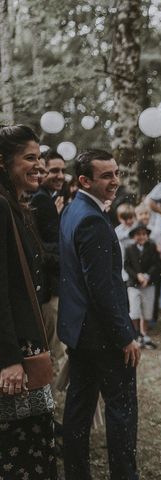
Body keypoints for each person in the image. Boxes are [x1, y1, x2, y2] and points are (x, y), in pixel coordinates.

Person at [58, 149, 141, 480]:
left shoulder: (72, 210)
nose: (115, 181)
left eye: (116, 173)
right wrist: (126, 336)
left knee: (78, 411)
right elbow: (102, 288)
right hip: (103, 336)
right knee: (122, 411)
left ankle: (77, 474)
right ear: (85, 180)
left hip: (80, 332)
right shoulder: (92, 219)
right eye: (106, 176)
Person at [0, 124, 57, 479]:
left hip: (25, 352)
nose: (40, 166)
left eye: (41, 157)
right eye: (29, 158)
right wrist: (8, 360)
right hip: (14, 359)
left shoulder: (17, 207)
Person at [30, 149, 67, 372]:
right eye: (53, 170)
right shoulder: (41, 200)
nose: (60, 175)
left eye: (63, 170)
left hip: (52, 286)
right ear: (41, 172)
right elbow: (43, 248)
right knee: (56, 352)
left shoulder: (48, 199)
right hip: (49, 288)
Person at [124, 223, 161, 349]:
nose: (141, 237)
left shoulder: (151, 247)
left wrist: (147, 276)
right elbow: (127, 266)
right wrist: (137, 275)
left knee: (146, 312)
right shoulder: (129, 249)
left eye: (144, 234)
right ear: (134, 236)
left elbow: (156, 264)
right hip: (134, 284)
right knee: (134, 311)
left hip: (148, 284)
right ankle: (135, 335)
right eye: (138, 234)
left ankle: (144, 334)